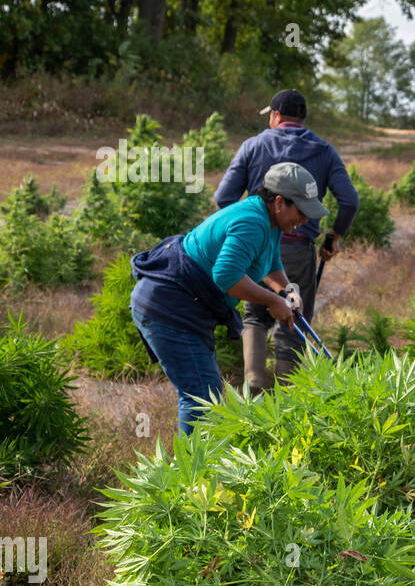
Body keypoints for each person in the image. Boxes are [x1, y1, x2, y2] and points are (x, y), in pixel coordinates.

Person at [130, 163, 327, 434]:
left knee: (207, 393)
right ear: (280, 201)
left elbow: (269, 262)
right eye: (302, 211)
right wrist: (272, 301)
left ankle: (199, 466)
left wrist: (288, 290)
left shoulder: (270, 221)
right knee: (201, 398)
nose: (305, 219)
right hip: (169, 307)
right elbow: (226, 276)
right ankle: (192, 472)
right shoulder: (253, 222)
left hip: (186, 306)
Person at [214, 89, 359, 394]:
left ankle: (253, 383)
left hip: (254, 242)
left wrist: (243, 228)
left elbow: (223, 197)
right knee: (294, 316)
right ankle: (287, 397)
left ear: (276, 116)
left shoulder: (252, 145)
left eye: (270, 114)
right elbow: (349, 201)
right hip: (298, 247)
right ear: (301, 118)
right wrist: (332, 237)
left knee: (254, 315)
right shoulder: (324, 150)